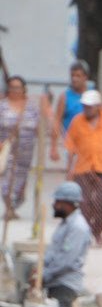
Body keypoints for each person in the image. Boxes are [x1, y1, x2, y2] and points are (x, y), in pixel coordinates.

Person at [64, 89, 102, 247]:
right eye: (85, 106)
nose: (87, 109)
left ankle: (97, 229)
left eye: (90, 107)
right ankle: (85, 233)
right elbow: (71, 147)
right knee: (84, 203)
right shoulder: (77, 121)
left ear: (98, 106)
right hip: (83, 169)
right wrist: (69, 169)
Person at [41, 180, 91, 307]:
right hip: (55, 283)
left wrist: (44, 275)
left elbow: (66, 261)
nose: (54, 205)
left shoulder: (78, 227)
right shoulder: (65, 224)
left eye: (58, 202)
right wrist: (39, 270)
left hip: (65, 286)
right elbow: (53, 254)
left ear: (69, 204)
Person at [0, 75, 44, 218]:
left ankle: (13, 206)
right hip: (6, 149)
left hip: (26, 152)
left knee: (20, 180)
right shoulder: (2, 106)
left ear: (24, 89)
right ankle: (8, 208)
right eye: (12, 87)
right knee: (6, 179)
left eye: (17, 88)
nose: (14, 90)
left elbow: (40, 127)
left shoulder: (32, 107)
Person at [49, 59, 91, 158]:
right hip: (71, 146)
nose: (74, 79)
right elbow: (57, 122)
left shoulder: (92, 96)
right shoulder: (65, 97)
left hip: (90, 146)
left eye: (78, 76)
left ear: (85, 77)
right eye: (72, 76)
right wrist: (53, 147)